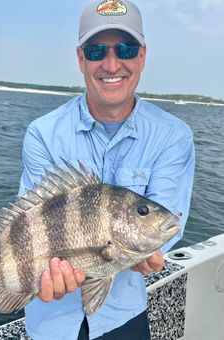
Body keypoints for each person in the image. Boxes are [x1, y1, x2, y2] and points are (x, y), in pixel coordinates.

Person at [18, 0, 195, 339]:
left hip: (123, 316)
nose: (112, 63)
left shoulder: (173, 136)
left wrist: (151, 251)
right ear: (81, 59)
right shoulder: (42, 133)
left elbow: (168, 223)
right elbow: (30, 222)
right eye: (97, 50)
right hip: (50, 320)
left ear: (141, 56)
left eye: (125, 49)